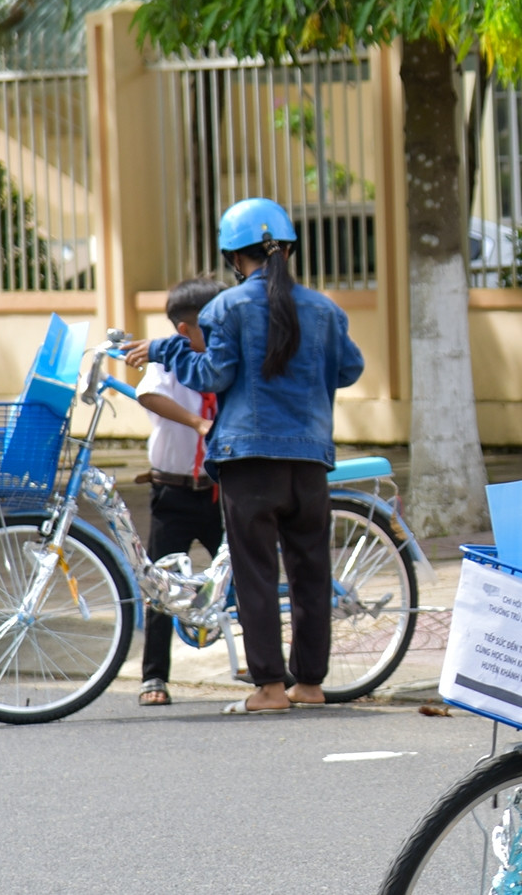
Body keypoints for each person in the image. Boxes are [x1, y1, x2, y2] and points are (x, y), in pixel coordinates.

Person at [124, 197, 366, 712]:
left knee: (255, 573)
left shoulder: (225, 309)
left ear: (235, 258)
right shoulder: (325, 310)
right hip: (310, 462)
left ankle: (270, 689)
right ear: (288, 249)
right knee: (310, 570)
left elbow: (212, 376)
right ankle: (311, 684)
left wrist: (170, 349)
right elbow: (349, 370)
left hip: (247, 462)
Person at [132, 277, 228, 707]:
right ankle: (154, 676)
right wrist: (197, 423)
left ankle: (263, 668)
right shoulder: (167, 358)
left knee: (243, 576)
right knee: (159, 586)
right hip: (173, 492)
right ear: (185, 329)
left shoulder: (226, 355)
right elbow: (149, 395)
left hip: (219, 490)